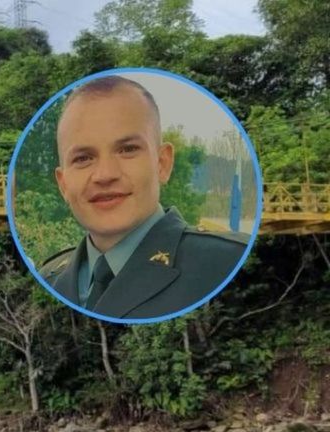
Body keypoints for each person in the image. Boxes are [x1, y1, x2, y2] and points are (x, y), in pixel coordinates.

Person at [38, 75, 248, 319]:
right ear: (63, 184)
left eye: (127, 150)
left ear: (162, 163)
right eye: (83, 158)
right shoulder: (49, 278)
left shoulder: (227, 263)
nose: (105, 175)